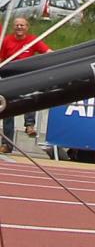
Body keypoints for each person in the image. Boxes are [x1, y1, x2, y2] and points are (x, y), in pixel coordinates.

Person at [0, 16, 51, 152]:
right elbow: (2, 58)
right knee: (8, 110)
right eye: (17, 25)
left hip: (26, 75)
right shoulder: (7, 41)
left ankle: (29, 125)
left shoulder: (32, 40)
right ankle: (7, 144)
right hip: (10, 76)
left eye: (22, 25)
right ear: (13, 27)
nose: (19, 27)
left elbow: (47, 52)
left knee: (29, 98)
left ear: (27, 27)